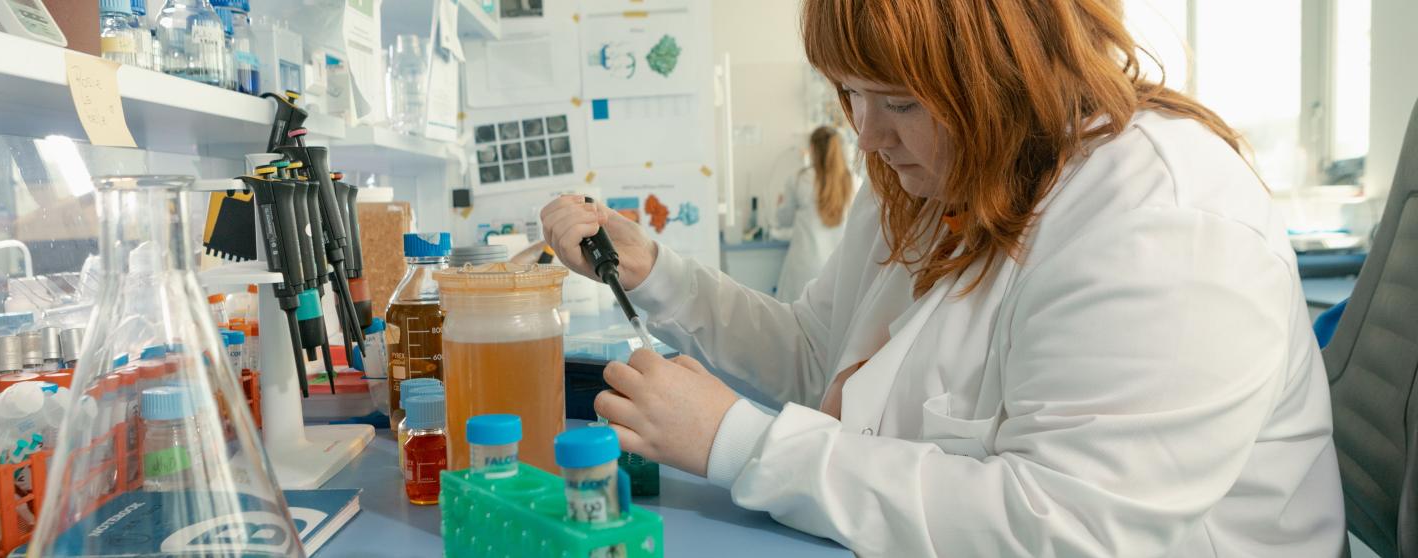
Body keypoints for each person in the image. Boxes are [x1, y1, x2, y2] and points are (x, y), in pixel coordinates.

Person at [541, 0, 1344, 555]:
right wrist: (655, 274)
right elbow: (820, 356)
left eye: (898, 101)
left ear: (1010, 75)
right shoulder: (934, 178)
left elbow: (1068, 532)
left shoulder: (1162, 222)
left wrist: (741, 444)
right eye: (850, 94)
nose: (867, 133)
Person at [773, 126, 856, 302]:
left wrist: (779, 205)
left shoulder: (800, 179)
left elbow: (784, 220)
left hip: (805, 267)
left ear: (812, 149)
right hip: (837, 269)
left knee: (793, 323)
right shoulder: (854, 181)